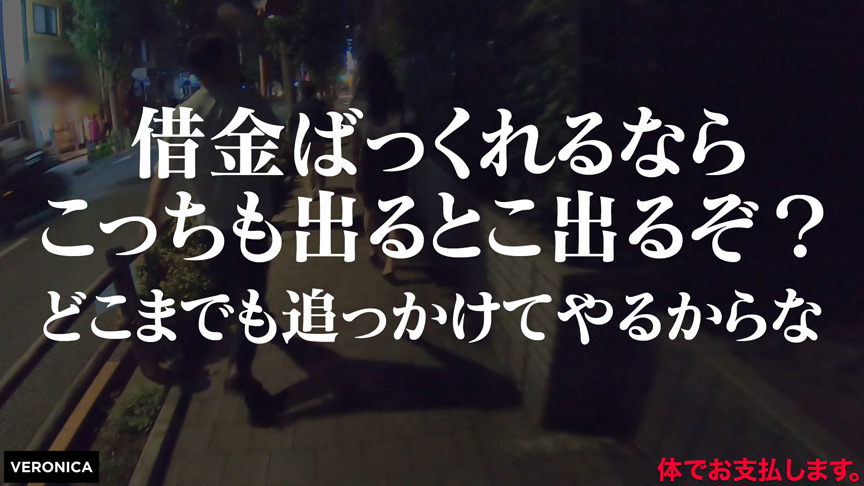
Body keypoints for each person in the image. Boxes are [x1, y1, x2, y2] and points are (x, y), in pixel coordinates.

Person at [142, 33, 279, 397]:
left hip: (211, 228)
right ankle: (239, 368)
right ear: (221, 62)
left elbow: (164, 170)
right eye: (231, 56)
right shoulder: (250, 102)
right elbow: (276, 147)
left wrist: (151, 214)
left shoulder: (184, 114)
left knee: (220, 296)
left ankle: (190, 361)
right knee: (252, 298)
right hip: (253, 222)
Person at [351, 52, 411, 282]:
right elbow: (409, 126)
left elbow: (355, 142)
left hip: (371, 158)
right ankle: (390, 265)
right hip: (395, 158)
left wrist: (356, 171)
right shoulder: (398, 98)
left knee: (371, 210)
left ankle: (373, 250)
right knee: (396, 214)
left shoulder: (360, 102)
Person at [289, 81, 331, 198]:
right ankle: (321, 187)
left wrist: (292, 138)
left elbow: (291, 124)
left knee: (309, 165)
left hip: (303, 139)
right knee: (319, 163)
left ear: (302, 93)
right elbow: (327, 119)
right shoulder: (320, 105)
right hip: (318, 138)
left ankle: (312, 191)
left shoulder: (296, 107)